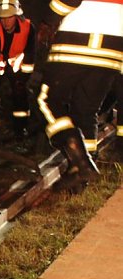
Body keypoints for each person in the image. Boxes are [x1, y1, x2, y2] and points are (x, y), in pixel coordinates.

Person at [36, 0, 123, 188]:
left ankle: (82, 163)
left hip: (79, 36)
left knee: (45, 101)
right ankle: (81, 177)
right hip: (115, 45)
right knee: (86, 109)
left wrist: (48, 20)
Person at [0, 0, 37, 142]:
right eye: (2, 18)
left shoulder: (29, 28)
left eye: (9, 17)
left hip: (15, 66)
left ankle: (20, 130)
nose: (5, 22)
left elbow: (30, 58)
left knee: (20, 95)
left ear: (17, 16)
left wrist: (22, 80)